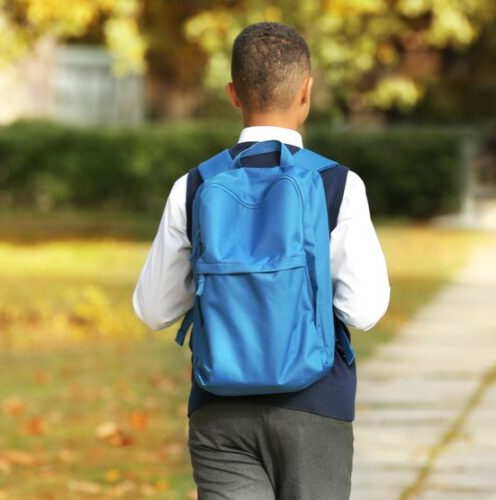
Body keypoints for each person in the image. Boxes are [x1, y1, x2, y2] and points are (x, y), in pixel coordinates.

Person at [132, 21, 390, 500]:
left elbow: (153, 309)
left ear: (233, 93)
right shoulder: (337, 186)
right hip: (314, 405)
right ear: (307, 92)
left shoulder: (194, 185)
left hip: (220, 408)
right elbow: (365, 311)